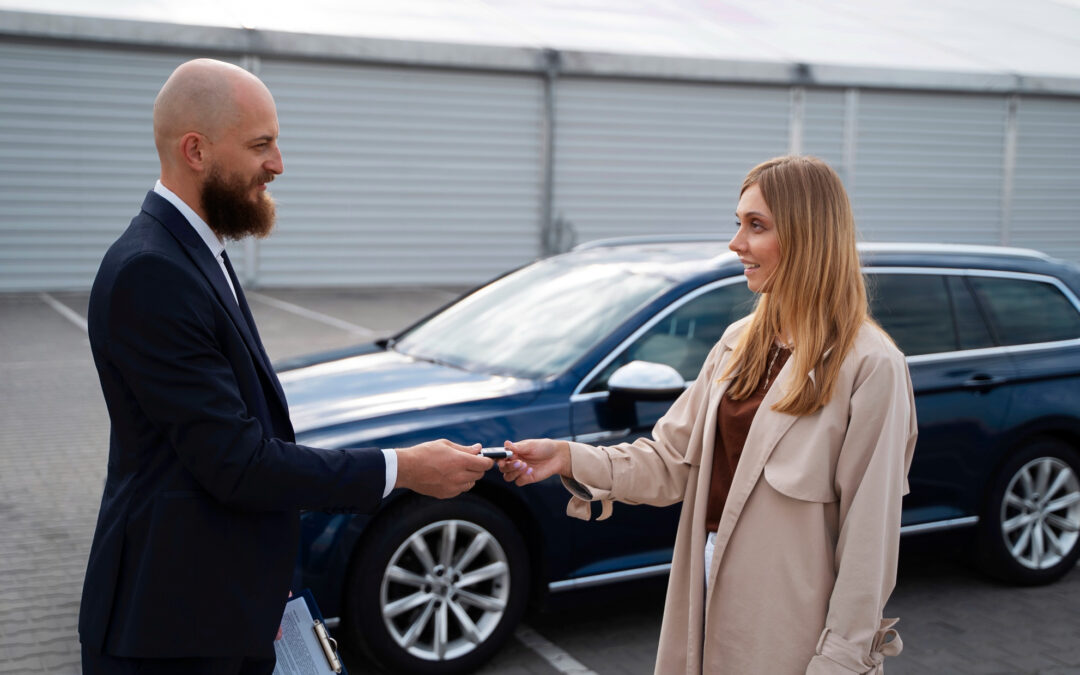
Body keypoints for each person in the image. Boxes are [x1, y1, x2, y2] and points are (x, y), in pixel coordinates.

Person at [79, 58, 494, 674]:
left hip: (217, 607)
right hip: (172, 633)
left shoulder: (191, 251)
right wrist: (404, 468)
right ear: (196, 150)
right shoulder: (152, 272)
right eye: (261, 145)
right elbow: (237, 463)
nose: (278, 164)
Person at [500, 155, 917, 674]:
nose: (736, 243)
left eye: (756, 226)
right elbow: (670, 461)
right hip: (702, 597)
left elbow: (869, 540)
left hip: (792, 630)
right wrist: (566, 457)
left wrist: (840, 660)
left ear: (809, 236)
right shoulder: (737, 344)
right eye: (738, 223)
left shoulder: (871, 364)